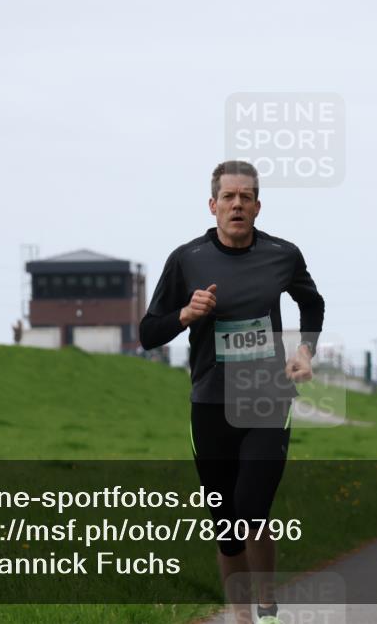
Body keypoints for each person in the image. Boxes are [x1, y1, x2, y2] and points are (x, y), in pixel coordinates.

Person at [139, 160, 324, 624]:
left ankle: (267, 608)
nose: (237, 204)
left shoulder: (283, 255)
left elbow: (312, 302)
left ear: (258, 206)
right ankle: (239, 615)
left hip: (266, 398)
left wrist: (305, 350)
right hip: (209, 402)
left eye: (246, 197)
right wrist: (184, 314)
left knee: (252, 508)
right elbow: (147, 333)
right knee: (225, 524)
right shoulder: (187, 259)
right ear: (213, 205)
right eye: (228, 197)